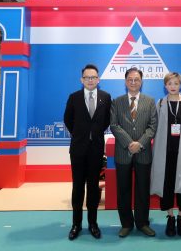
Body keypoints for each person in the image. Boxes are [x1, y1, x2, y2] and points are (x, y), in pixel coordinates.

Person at [63, 64, 112, 240]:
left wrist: (94, 134)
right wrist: (81, 135)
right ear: (81, 79)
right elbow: (68, 119)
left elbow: (107, 120)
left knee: (93, 187)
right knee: (77, 187)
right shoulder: (74, 97)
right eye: (87, 77)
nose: (90, 80)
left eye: (93, 77)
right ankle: (76, 224)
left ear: (98, 79)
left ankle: (93, 223)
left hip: (96, 150)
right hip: (78, 149)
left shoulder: (106, 97)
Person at [150, 72, 181, 237]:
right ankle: (170, 218)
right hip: (164, 152)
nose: (173, 86)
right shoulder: (160, 103)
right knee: (167, 184)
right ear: (165, 85)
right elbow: (153, 126)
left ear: (180, 85)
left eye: (176, 83)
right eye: (169, 83)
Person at [110, 67, 158, 238]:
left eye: (136, 79)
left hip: (143, 152)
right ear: (125, 81)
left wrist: (140, 143)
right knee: (123, 190)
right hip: (123, 152)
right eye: (130, 79)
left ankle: (142, 223)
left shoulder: (150, 101)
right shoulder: (117, 102)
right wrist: (130, 143)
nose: (133, 82)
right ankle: (126, 224)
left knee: (143, 190)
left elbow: (153, 126)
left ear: (141, 81)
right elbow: (114, 125)